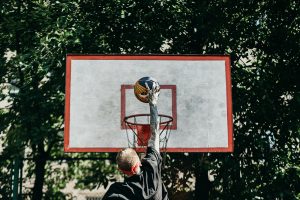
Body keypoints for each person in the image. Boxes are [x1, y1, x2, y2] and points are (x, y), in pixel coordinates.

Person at [102, 82, 169, 200]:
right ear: (138, 163)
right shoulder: (151, 172)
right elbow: (154, 135)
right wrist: (153, 104)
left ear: (121, 170)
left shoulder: (117, 192)